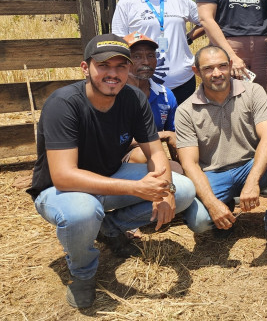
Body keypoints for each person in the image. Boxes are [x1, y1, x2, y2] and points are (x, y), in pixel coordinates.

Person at [26, 34, 196, 309]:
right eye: (103, 65)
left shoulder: (133, 99)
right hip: (60, 191)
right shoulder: (64, 104)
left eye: (120, 66)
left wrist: (166, 189)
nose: (112, 74)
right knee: (83, 212)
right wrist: (136, 188)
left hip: (110, 179)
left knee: (184, 189)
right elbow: (64, 176)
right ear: (85, 68)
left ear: (128, 69)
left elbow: (155, 152)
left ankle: (108, 229)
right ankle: (83, 274)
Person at [176, 45, 267, 258]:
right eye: (209, 68)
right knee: (200, 221)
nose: (217, 73)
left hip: (249, 164)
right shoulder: (185, 110)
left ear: (230, 66)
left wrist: (252, 181)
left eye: (222, 66)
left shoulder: (252, 91)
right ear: (197, 72)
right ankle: (225, 211)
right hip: (214, 174)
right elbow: (190, 164)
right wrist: (213, 204)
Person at [112, 0, 203, 104]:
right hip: (144, 81)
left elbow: (206, 21)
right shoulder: (126, 4)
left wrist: (189, 37)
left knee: (183, 126)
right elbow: (120, 39)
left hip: (183, 80)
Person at [122, 32, 182, 174]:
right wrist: (160, 135)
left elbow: (174, 137)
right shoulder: (114, 94)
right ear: (123, 61)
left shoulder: (165, 95)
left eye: (150, 56)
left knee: (178, 169)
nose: (146, 62)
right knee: (142, 155)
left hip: (153, 157)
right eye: (137, 56)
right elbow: (111, 141)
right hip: (118, 159)